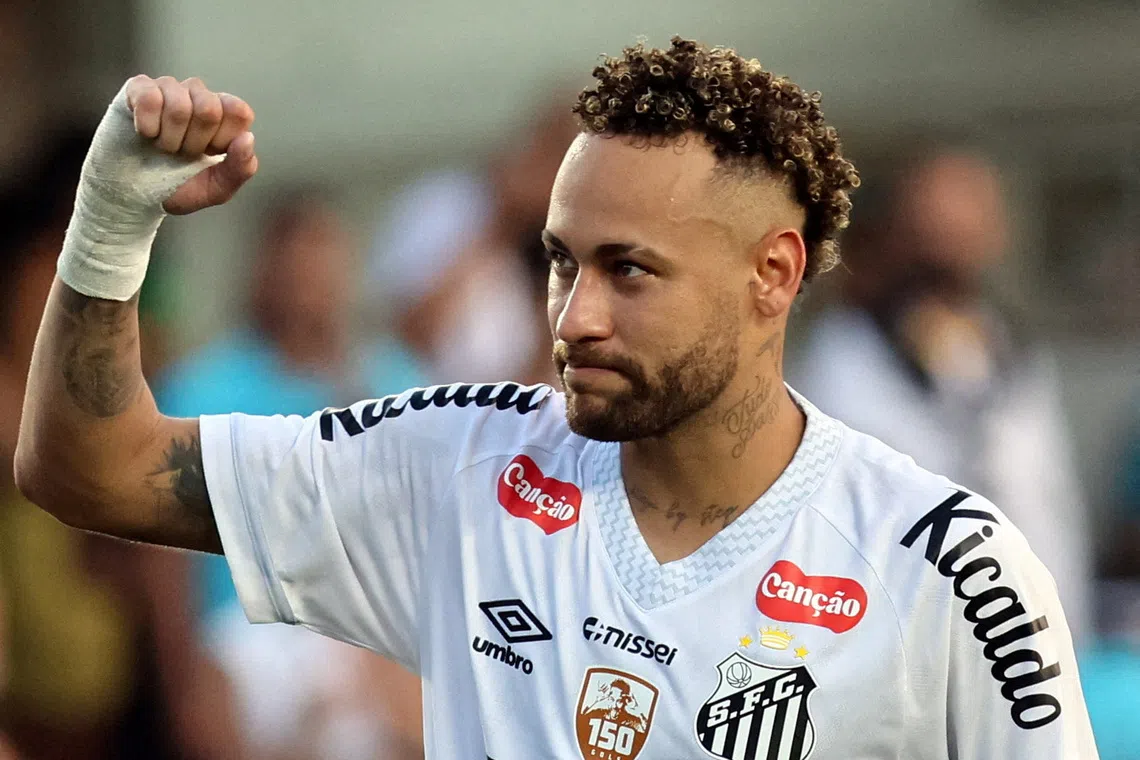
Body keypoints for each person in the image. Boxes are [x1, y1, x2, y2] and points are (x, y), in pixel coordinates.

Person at [14, 37, 1097, 759]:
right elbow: (88, 466)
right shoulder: (460, 463)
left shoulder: (954, 571)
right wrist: (112, 226)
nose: (572, 316)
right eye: (558, 261)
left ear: (773, 273)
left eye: (628, 270)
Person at [155, 188, 426, 760]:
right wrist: (183, 686)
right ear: (265, 271)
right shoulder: (203, 390)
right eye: (300, 262)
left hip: (372, 636)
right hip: (242, 640)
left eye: (327, 259)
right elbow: (160, 554)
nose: (315, 281)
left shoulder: (398, 384)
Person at [790, 146, 1093, 646]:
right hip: (909, 649)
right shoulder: (846, 356)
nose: (953, 242)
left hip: (1039, 647)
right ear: (898, 233)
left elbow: (1051, 504)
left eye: (973, 220)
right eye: (933, 225)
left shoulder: (1012, 350)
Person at [0, 129, 241, 760]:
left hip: (101, 518)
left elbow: (157, 365)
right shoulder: (38, 270)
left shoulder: (140, 267)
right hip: (49, 519)